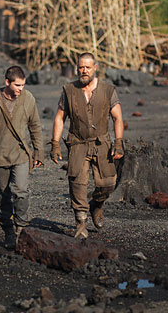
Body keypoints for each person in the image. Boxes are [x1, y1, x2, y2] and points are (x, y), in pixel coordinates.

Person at [50, 52, 124, 239]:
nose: (84, 71)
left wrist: (119, 142)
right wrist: (55, 143)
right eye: (81, 67)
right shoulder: (69, 90)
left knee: (108, 183)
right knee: (77, 183)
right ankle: (81, 223)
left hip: (102, 143)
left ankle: (97, 206)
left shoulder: (108, 90)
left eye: (87, 67)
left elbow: (117, 117)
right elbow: (60, 118)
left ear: (95, 68)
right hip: (78, 143)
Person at [0, 66, 44, 249]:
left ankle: (21, 227)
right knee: (3, 194)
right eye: (17, 85)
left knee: (21, 190)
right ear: (7, 82)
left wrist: (39, 152)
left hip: (21, 154)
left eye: (23, 85)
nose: (21, 89)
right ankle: (7, 229)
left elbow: (35, 126)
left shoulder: (28, 98)